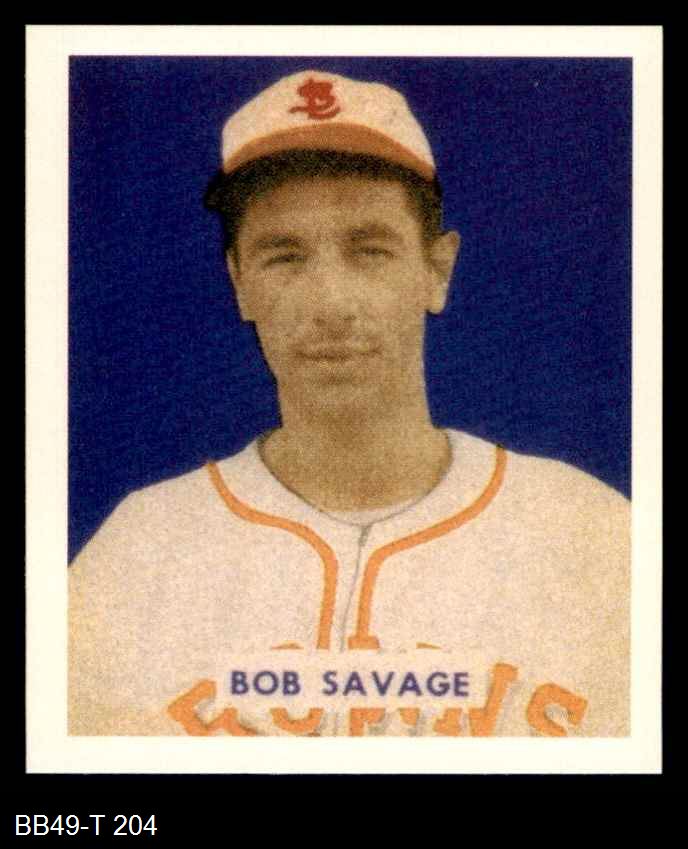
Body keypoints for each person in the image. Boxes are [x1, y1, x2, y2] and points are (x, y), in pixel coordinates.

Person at [69, 69, 630, 737]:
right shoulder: (138, 551)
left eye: (370, 250)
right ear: (239, 282)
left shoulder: (590, 534)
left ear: (437, 270)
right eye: (285, 257)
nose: (331, 303)